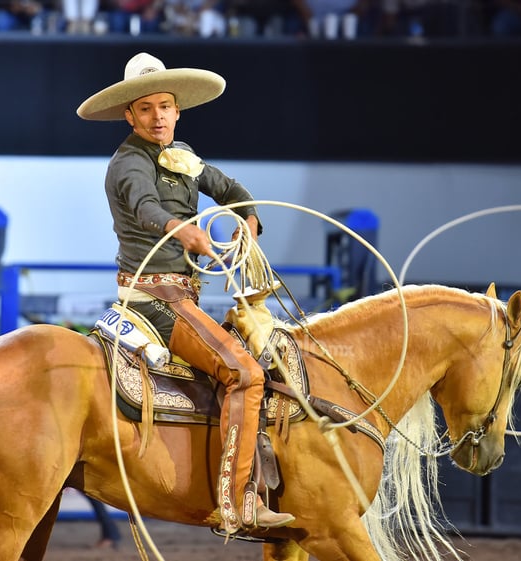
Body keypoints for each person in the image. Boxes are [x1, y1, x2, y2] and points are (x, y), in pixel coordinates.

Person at [76, 52, 295, 534]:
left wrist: (249, 219)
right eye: (147, 108)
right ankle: (237, 500)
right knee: (245, 373)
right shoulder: (128, 163)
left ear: (177, 111)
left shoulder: (186, 157)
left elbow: (231, 188)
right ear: (129, 115)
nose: (158, 117)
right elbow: (145, 207)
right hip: (157, 302)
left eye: (166, 107)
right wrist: (183, 231)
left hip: (183, 296)